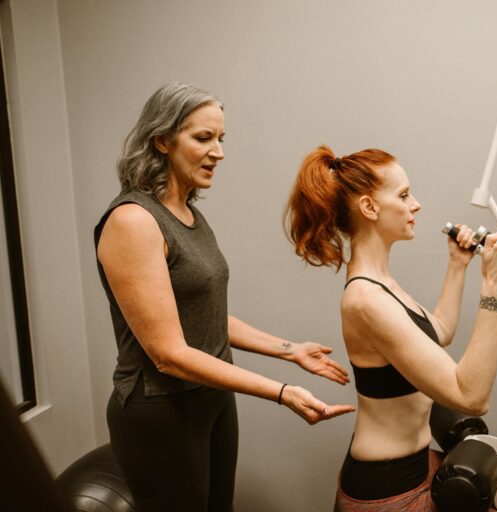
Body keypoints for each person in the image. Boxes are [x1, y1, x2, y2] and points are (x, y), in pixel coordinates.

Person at [94, 84, 355, 512]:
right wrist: (282, 392)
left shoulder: (191, 215)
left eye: (221, 139)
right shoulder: (132, 221)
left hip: (211, 398)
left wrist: (289, 351)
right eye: (203, 138)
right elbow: (168, 353)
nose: (218, 151)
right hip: (161, 410)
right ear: (162, 140)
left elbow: (205, 316)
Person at [284, 145, 497, 511]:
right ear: (369, 208)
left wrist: (457, 265)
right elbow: (471, 396)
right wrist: (495, 288)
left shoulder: (382, 284)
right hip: (386, 489)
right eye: (403, 195)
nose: (416, 204)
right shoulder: (366, 299)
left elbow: (439, 331)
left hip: (418, 467)